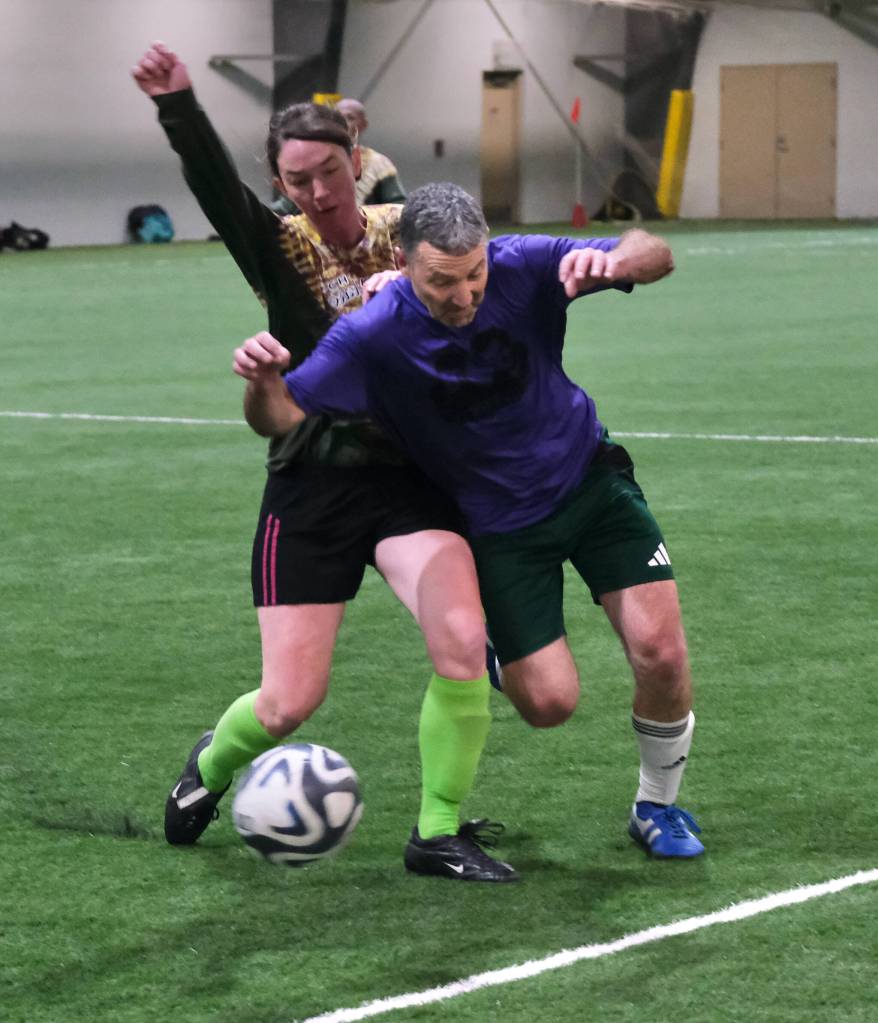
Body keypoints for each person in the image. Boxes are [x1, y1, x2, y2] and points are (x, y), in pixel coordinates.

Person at [132, 45, 516, 883]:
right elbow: (212, 187)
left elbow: (485, 274)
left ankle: (438, 830)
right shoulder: (279, 248)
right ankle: (210, 762)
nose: (317, 191)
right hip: (312, 483)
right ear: (281, 184)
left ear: (357, 157)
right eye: (296, 179)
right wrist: (180, 108)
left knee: (460, 639)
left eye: (329, 170)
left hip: (408, 484)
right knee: (287, 702)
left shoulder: (406, 231)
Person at [232, 182, 705, 859]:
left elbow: (654, 251)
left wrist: (623, 260)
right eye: (441, 281)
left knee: (660, 649)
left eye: (474, 272)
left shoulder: (524, 263)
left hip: (591, 481)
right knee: (549, 704)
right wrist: (262, 381)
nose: (464, 294)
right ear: (404, 259)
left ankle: (657, 805)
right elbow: (278, 420)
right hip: (501, 528)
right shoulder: (371, 332)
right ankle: (491, 649)